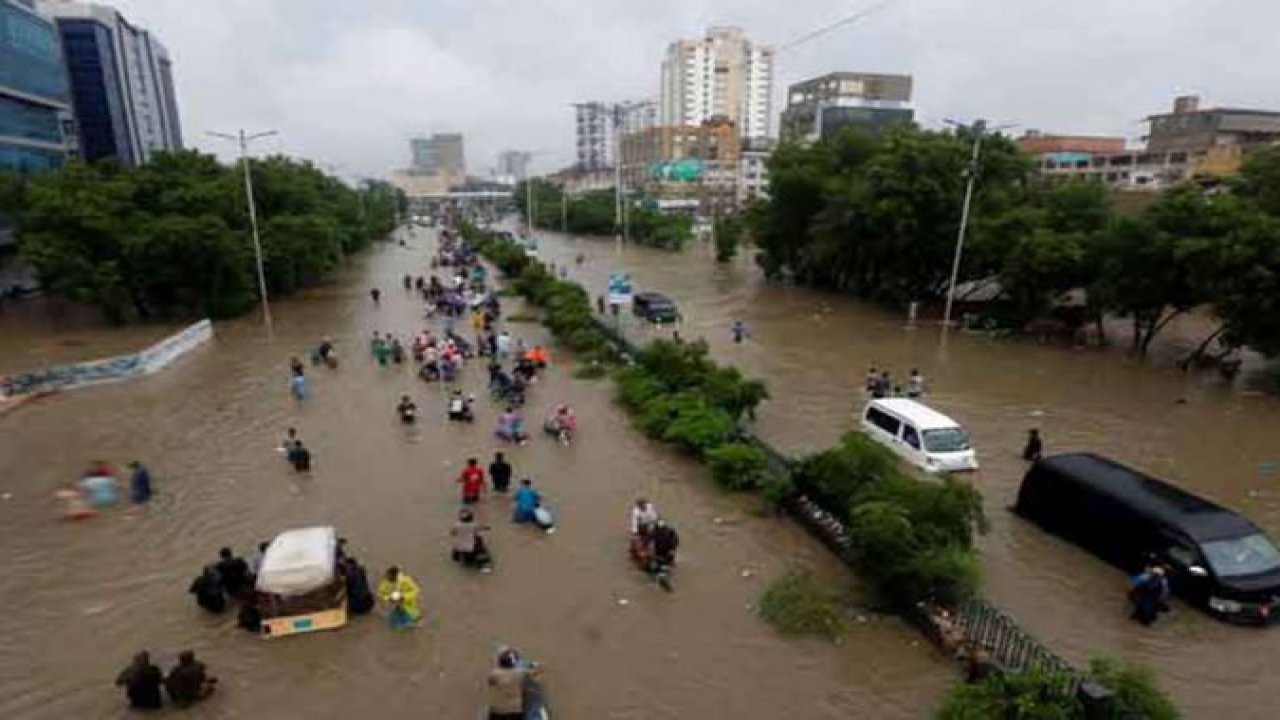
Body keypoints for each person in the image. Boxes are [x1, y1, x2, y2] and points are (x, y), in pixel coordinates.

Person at [486, 649, 539, 720]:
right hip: (515, 710)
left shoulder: (495, 674)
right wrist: (532, 664)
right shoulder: (520, 673)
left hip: (498, 710)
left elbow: (491, 682)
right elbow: (535, 672)